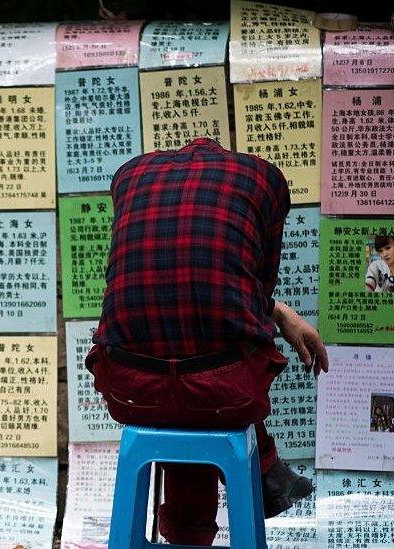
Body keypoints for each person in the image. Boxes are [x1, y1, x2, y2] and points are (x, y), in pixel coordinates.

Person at [85, 138, 329, 546]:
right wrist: (281, 312)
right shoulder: (265, 179)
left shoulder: (128, 176)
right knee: (210, 380)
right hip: (224, 390)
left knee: (183, 378)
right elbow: (254, 295)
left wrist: (278, 312)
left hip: (129, 388)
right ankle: (267, 469)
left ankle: (188, 534)